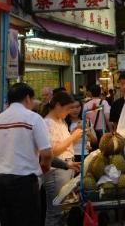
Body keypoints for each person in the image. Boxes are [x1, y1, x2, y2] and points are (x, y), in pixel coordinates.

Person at [0, 83, 52, 226]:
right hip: (24, 182)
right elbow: (46, 154)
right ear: (27, 98)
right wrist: (43, 169)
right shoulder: (33, 118)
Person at [44, 92, 82, 226]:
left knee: (64, 210)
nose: (70, 111)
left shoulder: (61, 121)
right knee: (56, 211)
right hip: (56, 171)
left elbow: (63, 145)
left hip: (66, 167)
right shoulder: (47, 123)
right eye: (68, 108)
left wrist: (74, 137)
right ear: (58, 105)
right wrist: (73, 137)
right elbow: (52, 151)